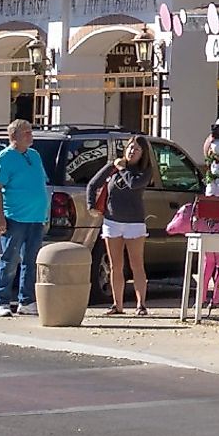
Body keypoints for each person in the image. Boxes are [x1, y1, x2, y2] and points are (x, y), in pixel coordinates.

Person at [0, 119, 51, 318]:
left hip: (36, 218)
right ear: (14, 136)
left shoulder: (34, 155)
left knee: (31, 261)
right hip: (15, 217)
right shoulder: (4, 158)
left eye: (31, 132)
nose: (31, 136)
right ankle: (1, 301)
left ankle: (27, 300)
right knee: (10, 259)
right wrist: (0, 217)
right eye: (26, 133)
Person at [86, 135, 155, 318]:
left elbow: (133, 184)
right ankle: (117, 304)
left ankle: (141, 304)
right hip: (112, 221)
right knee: (116, 265)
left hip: (134, 222)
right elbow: (93, 184)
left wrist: (123, 168)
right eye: (130, 147)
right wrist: (91, 206)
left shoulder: (144, 171)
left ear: (143, 154)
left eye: (137, 149)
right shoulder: (113, 166)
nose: (132, 151)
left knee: (136, 264)